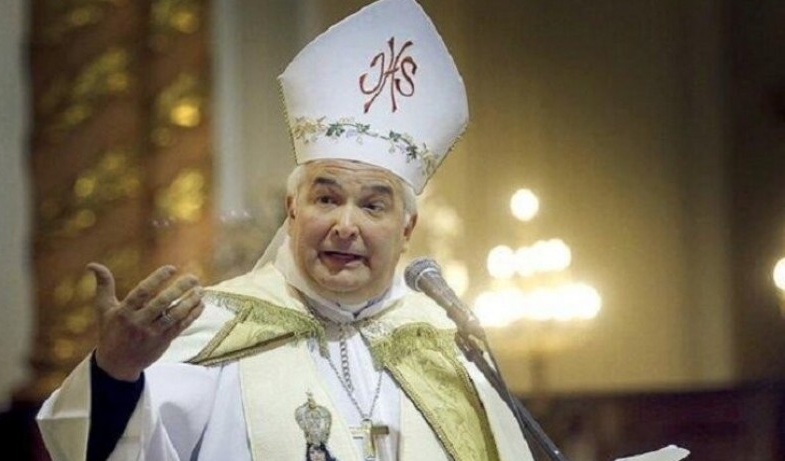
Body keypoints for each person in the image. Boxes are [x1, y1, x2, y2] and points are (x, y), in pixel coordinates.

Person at [37, 1, 535, 460]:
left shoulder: (447, 348)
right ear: (292, 209)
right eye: (326, 199)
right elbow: (98, 447)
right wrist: (116, 373)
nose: (345, 226)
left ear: (407, 228)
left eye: (372, 206)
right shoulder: (215, 330)